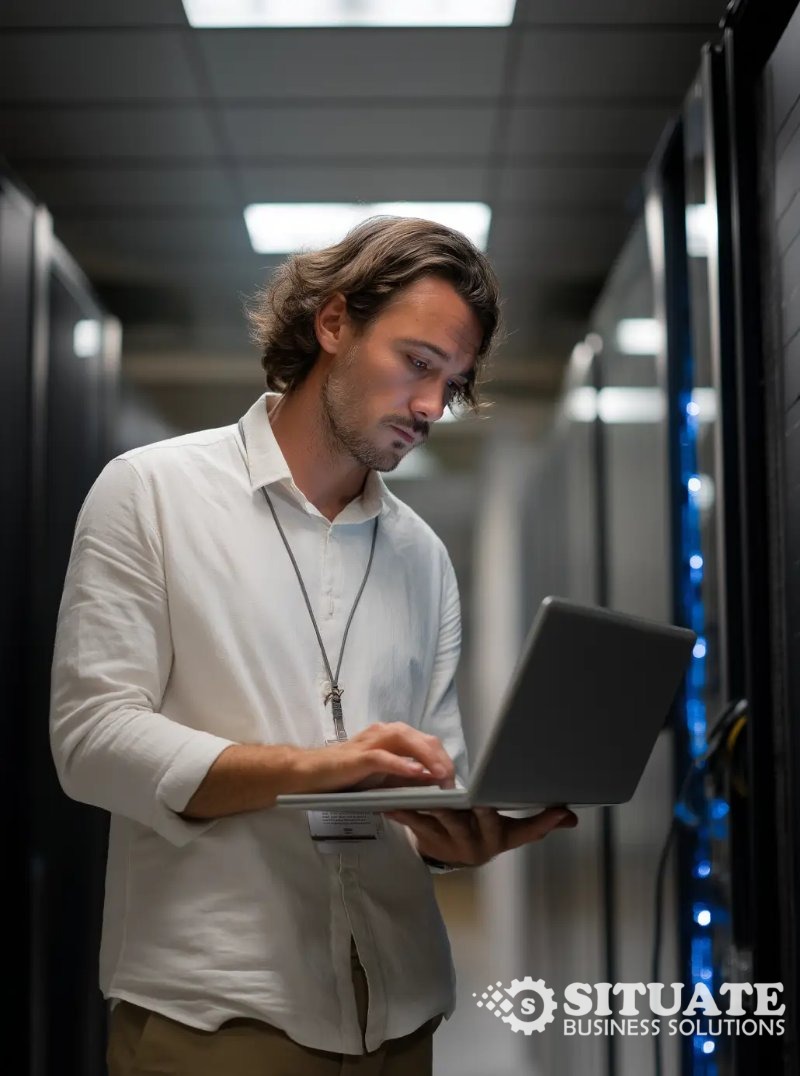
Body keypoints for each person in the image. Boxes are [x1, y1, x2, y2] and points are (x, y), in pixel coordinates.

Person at [50, 215, 578, 1076]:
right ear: (333, 324)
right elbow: (92, 742)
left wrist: (453, 834)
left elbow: (433, 761)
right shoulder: (152, 493)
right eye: (417, 363)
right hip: (221, 1017)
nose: (428, 407)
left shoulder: (422, 557)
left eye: (450, 385)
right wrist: (312, 767)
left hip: (402, 1013)